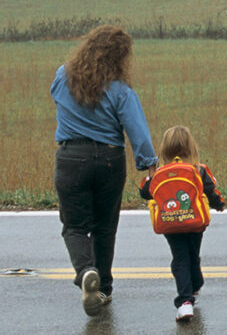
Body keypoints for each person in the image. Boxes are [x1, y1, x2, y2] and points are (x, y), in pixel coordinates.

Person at [50, 24, 158, 316]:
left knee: (74, 226)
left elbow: (55, 95)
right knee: (104, 227)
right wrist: (149, 164)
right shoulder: (121, 91)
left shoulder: (63, 76)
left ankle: (86, 271)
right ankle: (104, 288)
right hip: (110, 160)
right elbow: (138, 132)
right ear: (120, 58)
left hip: (71, 157)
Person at [139, 125, 226, 322]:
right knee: (192, 254)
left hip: (170, 222)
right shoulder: (199, 169)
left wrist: (150, 174)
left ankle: (185, 302)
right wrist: (218, 204)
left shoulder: (159, 172)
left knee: (180, 258)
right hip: (195, 222)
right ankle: (195, 284)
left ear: (164, 149)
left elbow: (145, 192)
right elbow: (211, 190)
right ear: (191, 147)